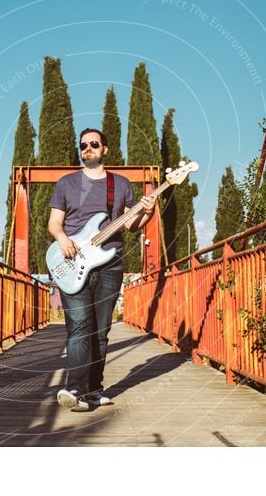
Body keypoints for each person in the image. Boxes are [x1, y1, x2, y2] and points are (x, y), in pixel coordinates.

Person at [48, 128, 156, 411]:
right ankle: (75, 388)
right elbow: (54, 223)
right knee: (80, 327)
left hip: (110, 266)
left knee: (101, 332)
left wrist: (148, 211)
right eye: (83, 145)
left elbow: (132, 225)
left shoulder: (120, 185)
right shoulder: (66, 183)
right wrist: (62, 239)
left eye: (94, 144)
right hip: (73, 264)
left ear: (105, 149)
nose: (88, 148)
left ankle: (92, 391)